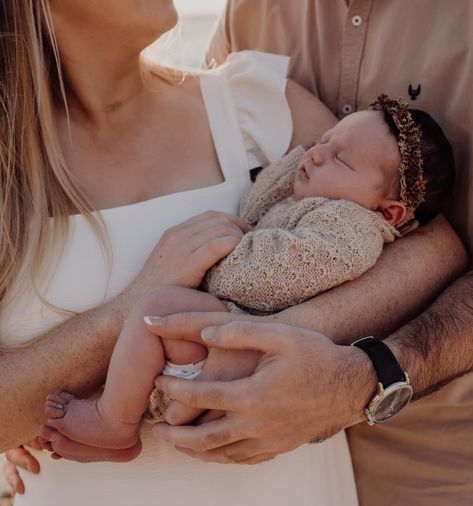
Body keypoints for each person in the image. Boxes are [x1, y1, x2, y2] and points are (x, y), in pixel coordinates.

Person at [0, 1, 465, 505]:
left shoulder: (253, 102)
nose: (318, 156)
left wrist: (255, 344)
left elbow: (431, 248)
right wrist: (131, 308)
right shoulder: (11, 161)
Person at [40, 95, 455, 450]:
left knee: (159, 307)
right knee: (155, 320)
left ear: (389, 211)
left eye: (342, 159)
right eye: (323, 141)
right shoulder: (324, 200)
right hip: (226, 331)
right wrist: (307, 160)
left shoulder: (352, 230)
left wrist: (211, 260)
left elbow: (282, 273)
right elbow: (255, 207)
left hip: (244, 338)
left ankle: (113, 422)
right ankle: (117, 410)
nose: (317, 153)